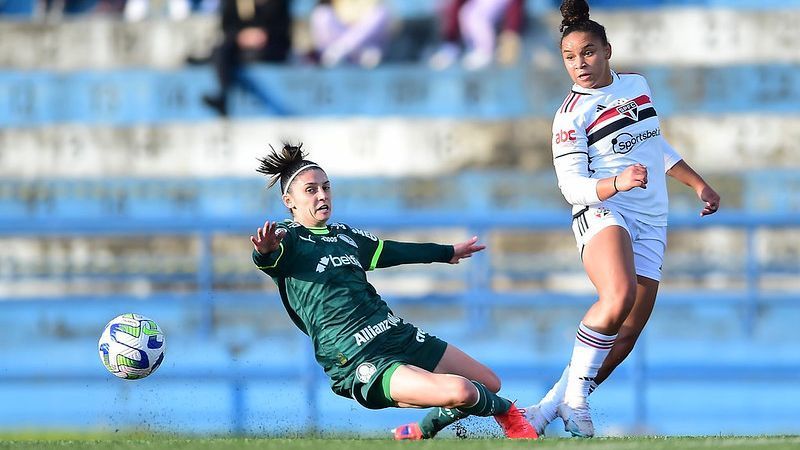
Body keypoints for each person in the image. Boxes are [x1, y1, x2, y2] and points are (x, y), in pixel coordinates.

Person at [524, 0, 721, 438]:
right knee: (618, 294)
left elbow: (654, 144)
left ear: (608, 50)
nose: (580, 64)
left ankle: (548, 408)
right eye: (570, 58)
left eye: (588, 53)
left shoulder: (636, 84)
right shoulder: (569, 117)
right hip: (603, 209)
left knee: (628, 332)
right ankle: (575, 402)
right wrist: (618, 183)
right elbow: (572, 187)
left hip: (651, 218)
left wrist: (698, 184)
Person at [250, 143, 539, 440]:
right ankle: (511, 415)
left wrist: (447, 252)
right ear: (289, 201)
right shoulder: (290, 239)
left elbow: (390, 250)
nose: (322, 195)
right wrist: (265, 251)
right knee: (463, 390)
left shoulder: (345, 237)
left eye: (326, 187)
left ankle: (419, 431)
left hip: (394, 333)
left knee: (487, 382)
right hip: (357, 356)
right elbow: (270, 256)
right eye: (311, 190)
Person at [201, 0, 292, 116]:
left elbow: (283, 30)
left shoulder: (278, 3)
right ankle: (222, 95)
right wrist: (241, 36)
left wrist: (262, 36)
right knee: (220, 51)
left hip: (270, 48)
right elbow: (227, 27)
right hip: (240, 47)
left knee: (247, 56)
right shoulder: (237, 2)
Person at [308, 0, 390, 68]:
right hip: (339, 34)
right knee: (322, 14)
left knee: (381, 12)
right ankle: (347, 52)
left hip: (364, 36)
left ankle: (342, 51)